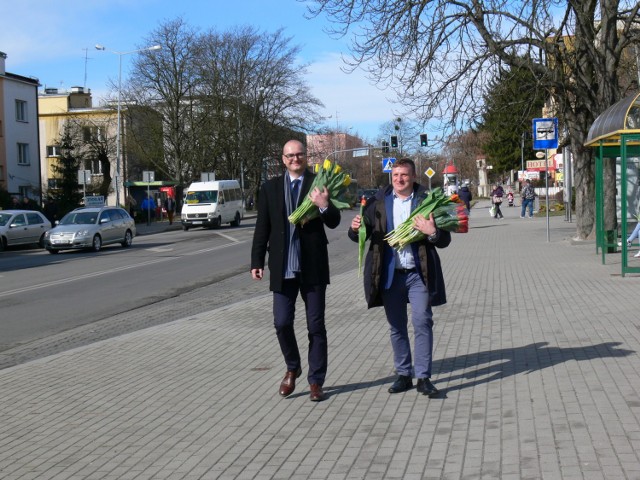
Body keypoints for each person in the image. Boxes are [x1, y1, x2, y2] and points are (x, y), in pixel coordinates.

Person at [348, 158, 451, 398]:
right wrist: (355, 229)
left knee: (422, 321)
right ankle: (404, 374)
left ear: (413, 177)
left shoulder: (427, 201)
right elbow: (360, 236)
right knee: (396, 326)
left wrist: (432, 232)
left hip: (418, 274)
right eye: (395, 176)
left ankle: (423, 377)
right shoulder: (378, 203)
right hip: (389, 275)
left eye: (404, 175)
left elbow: (444, 240)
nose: (399, 179)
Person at [250, 139, 341, 402]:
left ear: (306, 156)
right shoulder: (269, 188)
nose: (295, 159)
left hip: (312, 265)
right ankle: (293, 366)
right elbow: (262, 228)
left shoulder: (319, 183)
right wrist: (256, 261)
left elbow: (334, 221)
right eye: (290, 155)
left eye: (299, 154)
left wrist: (323, 204)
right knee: (281, 323)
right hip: (282, 266)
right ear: (283, 158)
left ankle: (316, 381)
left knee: (315, 326)